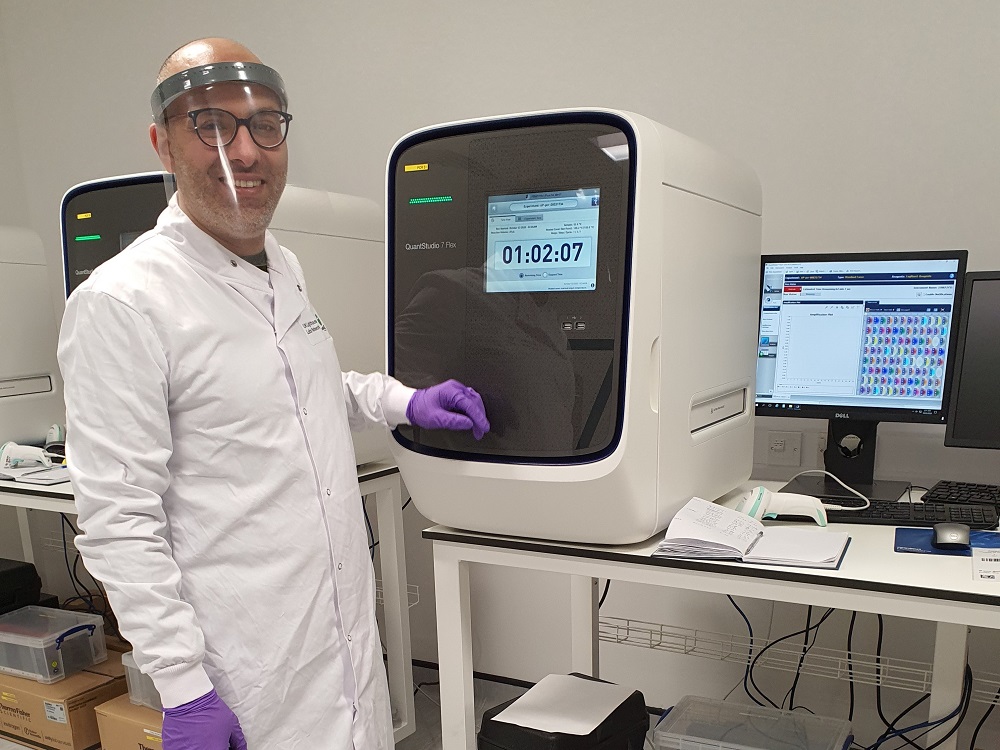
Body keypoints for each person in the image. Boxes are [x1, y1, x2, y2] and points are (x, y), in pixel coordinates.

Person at [57, 37, 489, 750]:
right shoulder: (123, 302)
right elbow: (117, 518)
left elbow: (301, 390)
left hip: (341, 644)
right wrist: (184, 688)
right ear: (162, 144)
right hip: (246, 671)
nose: (246, 150)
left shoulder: (281, 264)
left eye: (264, 124)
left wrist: (401, 402)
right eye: (211, 125)